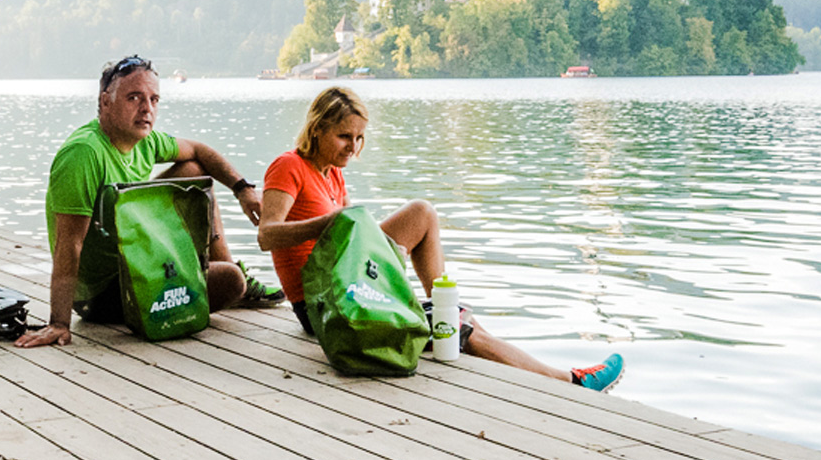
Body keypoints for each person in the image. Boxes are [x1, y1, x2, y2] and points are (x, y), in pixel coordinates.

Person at [258, 84, 625, 391]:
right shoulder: (289, 166)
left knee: (422, 213)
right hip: (324, 305)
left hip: (349, 285)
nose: (353, 147)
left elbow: (349, 239)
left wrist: (374, 246)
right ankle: (570, 382)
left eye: (358, 138)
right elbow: (267, 235)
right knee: (455, 325)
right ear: (317, 129)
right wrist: (328, 222)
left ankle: (441, 307)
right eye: (343, 137)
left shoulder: (333, 174)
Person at [15, 56, 274, 349]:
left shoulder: (146, 141)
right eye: (134, 98)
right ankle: (231, 280)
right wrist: (59, 323)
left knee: (194, 173)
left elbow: (200, 150)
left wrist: (243, 189)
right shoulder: (83, 154)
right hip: (100, 296)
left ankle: (224, 270)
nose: (146, 109)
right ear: (105, 102)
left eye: (154, 99)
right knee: (230, 281)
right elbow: (68, 244)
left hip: (138, 263)